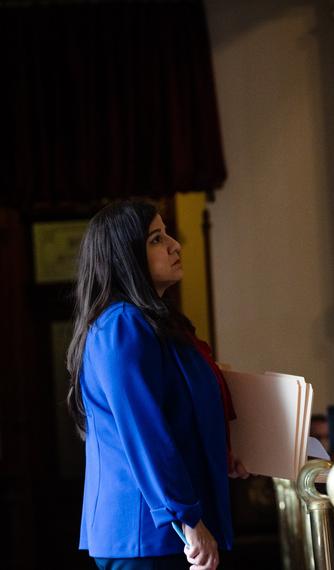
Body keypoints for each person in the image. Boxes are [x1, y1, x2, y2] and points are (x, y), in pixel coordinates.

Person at [66, 201, 246, 570]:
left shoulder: (154, 323)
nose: (175, 245)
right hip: (146, 532)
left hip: (163, 528)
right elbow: (145, 432)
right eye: (156, 239)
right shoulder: (121, 325)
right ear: (125, 256)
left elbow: (181, 413)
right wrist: (187, 519)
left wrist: (226, 454)